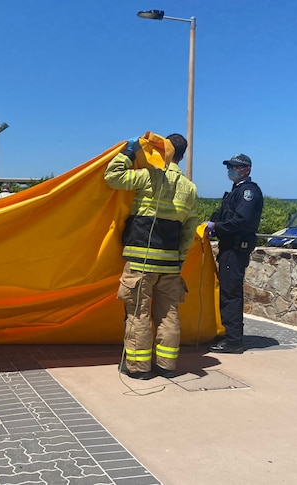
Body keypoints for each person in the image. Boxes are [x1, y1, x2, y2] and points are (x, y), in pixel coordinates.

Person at [104, 133, 198, 379]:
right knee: (169, 313)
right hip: (170, 264)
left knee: (138, 313)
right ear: (182, 155)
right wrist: (179, 259)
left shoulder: (149, 175)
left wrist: (129, 151)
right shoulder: (190, 188)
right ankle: (166, 366)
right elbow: (189, 230)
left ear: (163, 149)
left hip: (140, 261)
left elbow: (112, 176)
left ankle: (138, 368)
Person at [205, 154, 264, 354]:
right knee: (226, 291)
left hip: (236, 248)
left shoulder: (248, 192)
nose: (231, 170)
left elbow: (241, 221)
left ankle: (233, 341)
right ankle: (226, 333)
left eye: (235, 167)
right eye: (230, 166)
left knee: (231, 293)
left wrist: (216, 226)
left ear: (246, 169)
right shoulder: (236, 191)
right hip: (228, 247)